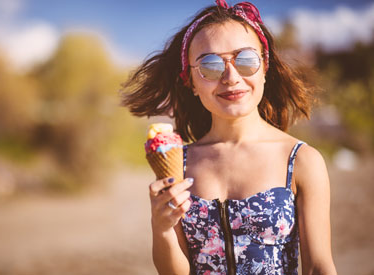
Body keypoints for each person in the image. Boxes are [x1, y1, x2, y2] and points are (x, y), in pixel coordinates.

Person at [121, 0, 337, 274]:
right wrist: (161, 228)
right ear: (191, 82)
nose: (231, 77)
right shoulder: (179, 163)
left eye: (245, 60)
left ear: (265, 68)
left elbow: (319, 266)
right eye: (210, 66)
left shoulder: (302, 160)